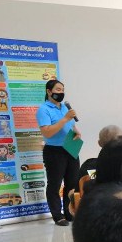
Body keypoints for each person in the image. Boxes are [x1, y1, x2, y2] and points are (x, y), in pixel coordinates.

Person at [37, 79, 81, 226]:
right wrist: (65, 119)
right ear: (49, 91)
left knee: (72, 183)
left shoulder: (64, 107)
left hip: (71, 147)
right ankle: (57, 215)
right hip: (54, 151)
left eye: (62, 90)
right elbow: (47, 132)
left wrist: (76, 132)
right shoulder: (43, 109)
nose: (61, 92)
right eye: (58, 89)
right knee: (55, 184)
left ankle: (69, 212)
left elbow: (71, 125)